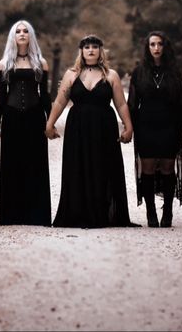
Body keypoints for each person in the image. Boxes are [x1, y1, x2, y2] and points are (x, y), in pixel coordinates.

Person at [46, 35, 136, 228]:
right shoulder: (71, 74)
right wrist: (49, 124)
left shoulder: (111, 75)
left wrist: (128, 127)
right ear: (82, 51)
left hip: (104, 127)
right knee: (77, 167)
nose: (91, 50)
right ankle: (78, 214)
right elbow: (61, 101)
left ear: (100, 50)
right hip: (77, 126)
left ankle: (101, 214)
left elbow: (120, 104)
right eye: (87, 47)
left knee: (103, 167)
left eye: (95, 46)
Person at [127, 31, 182, 228]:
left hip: (170, 124)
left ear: (165, 47)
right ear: (147, 47)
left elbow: (181, 103)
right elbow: (132, 104)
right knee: (148, 169)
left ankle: (168, 210)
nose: (156, 48)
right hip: (146, 125)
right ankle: (150, 212)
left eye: (159, 44)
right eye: (152, 44)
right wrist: (130, 127)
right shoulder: (139, 72)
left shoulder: (174, 72)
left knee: (168, 168)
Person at [0, 21, 52, 226]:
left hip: (35, 116)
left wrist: (50, 121)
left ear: (31, 36)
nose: (21, 34)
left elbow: (44, 95)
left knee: (35, 164)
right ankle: (12, 215)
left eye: (25, 31)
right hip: (11, 117)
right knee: (12, 164)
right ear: (13, 36)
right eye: (17, 31)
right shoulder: (4, 64)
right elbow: (2, 96)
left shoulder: (41, 63)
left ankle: (37, 215)